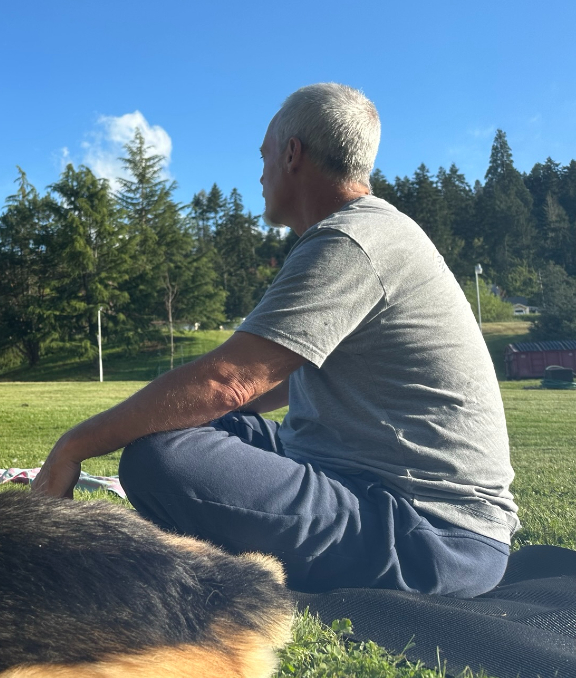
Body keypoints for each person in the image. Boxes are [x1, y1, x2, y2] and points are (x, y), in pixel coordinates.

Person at [33, 83, 519, 598]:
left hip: (430, 530)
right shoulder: (366, 233)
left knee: (160, 458)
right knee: (171, 423)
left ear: (292, 154)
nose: (260, 172)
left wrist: (74, 446)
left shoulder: (351, 241)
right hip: (357, 475)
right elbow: (267, 385)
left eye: (263, 154)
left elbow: (229, 382)